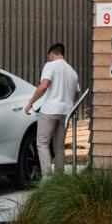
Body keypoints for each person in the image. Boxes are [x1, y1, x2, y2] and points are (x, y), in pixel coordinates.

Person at [25, 42, 79, 176]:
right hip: (65, 112)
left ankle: (47, 178)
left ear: (52, 54)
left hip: (49, 111)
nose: (49, 58)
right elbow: (76, 93)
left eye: (49, 56)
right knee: (59, 147)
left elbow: (44, 86)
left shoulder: (50, 65)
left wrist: (31, 102)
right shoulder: (72, 71)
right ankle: (59, 178)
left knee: (42, 144)